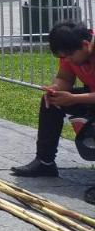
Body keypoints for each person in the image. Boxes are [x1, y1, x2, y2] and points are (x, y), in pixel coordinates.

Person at [10, 20, 95, 205]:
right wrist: (55, 90)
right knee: (51, 103)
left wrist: (73, 99)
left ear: (85, 45)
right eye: (64, 57)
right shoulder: (71, 51)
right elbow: (65, 78)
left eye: (71, 55)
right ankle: (45, 162)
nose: (69, 60)